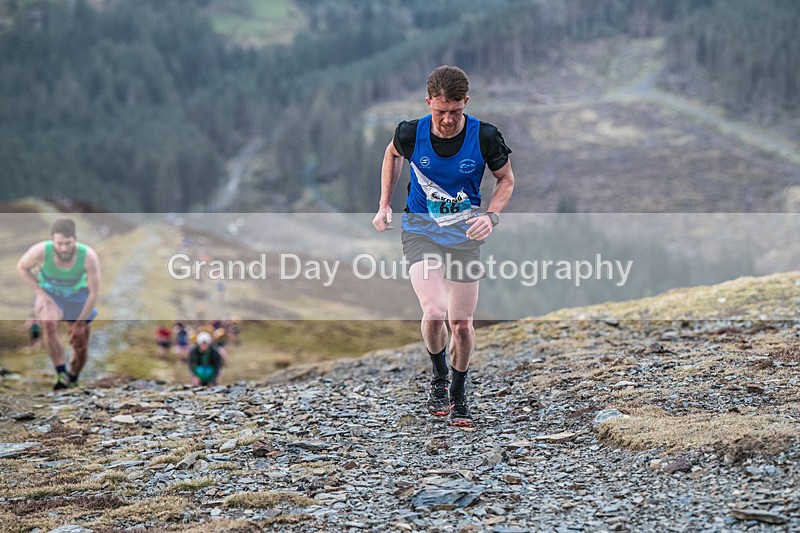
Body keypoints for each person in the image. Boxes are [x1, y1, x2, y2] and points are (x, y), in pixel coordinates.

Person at [372, 65, 515, 427]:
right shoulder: (409, 132)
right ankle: (438, 379)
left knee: (462, 325)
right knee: (434, 312)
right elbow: (391, 155)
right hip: (420, 230)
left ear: (466, 102)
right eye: (440, 111)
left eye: (455, 111)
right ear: (428, 103)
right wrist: (384, 204)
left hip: (464, 238)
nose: (448, 120)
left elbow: (506, 180)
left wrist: (491, 216)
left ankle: (459, 392)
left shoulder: (485, 136)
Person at [17, 218, 101, 390]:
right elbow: (22, 267)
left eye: (68, 243)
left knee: (80, 345)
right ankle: (61, 372)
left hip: (78, 298)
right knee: (48, 323)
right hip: (51, 296)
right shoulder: (40, 251)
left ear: (75, 240)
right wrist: (40, 293)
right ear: (52, 240)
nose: (64, 248)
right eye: (59, 243)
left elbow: (94, 293)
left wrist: (79, 323)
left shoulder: (88, 257)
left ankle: (74, 375)